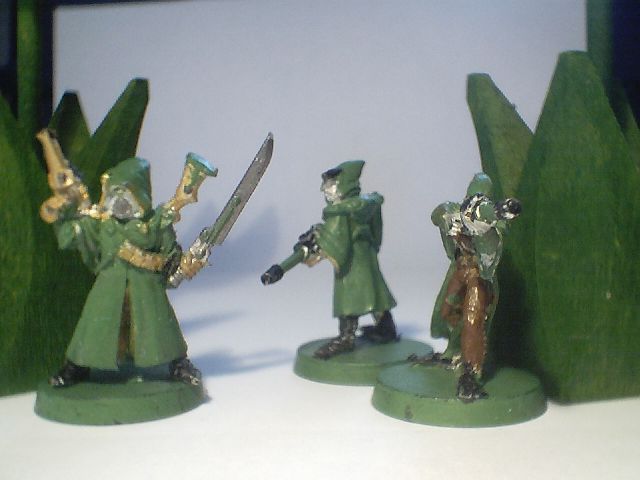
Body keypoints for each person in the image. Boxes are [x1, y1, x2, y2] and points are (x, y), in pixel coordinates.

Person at [262, 160, 398, 359]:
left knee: (349, 298)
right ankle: (386, 328)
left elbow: (327, 244)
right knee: (373, 292)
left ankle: (346, 337)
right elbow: (375, 230)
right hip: (366, 258)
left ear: (344, 184)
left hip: (351, 265)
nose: (324, 189)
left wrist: (287, 263)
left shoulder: (339, 213)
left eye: (330, 185)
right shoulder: (367, 204)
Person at [424, 172, 521, 401]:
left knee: (472, 321)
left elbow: (491, 237)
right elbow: (437, 215)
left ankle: (471, 371)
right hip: (461, 271)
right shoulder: (454, 212)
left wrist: (487, 221)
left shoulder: (493, 228)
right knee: (447, 311)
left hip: (479, 278)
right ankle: (455, 351)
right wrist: (450, 220)